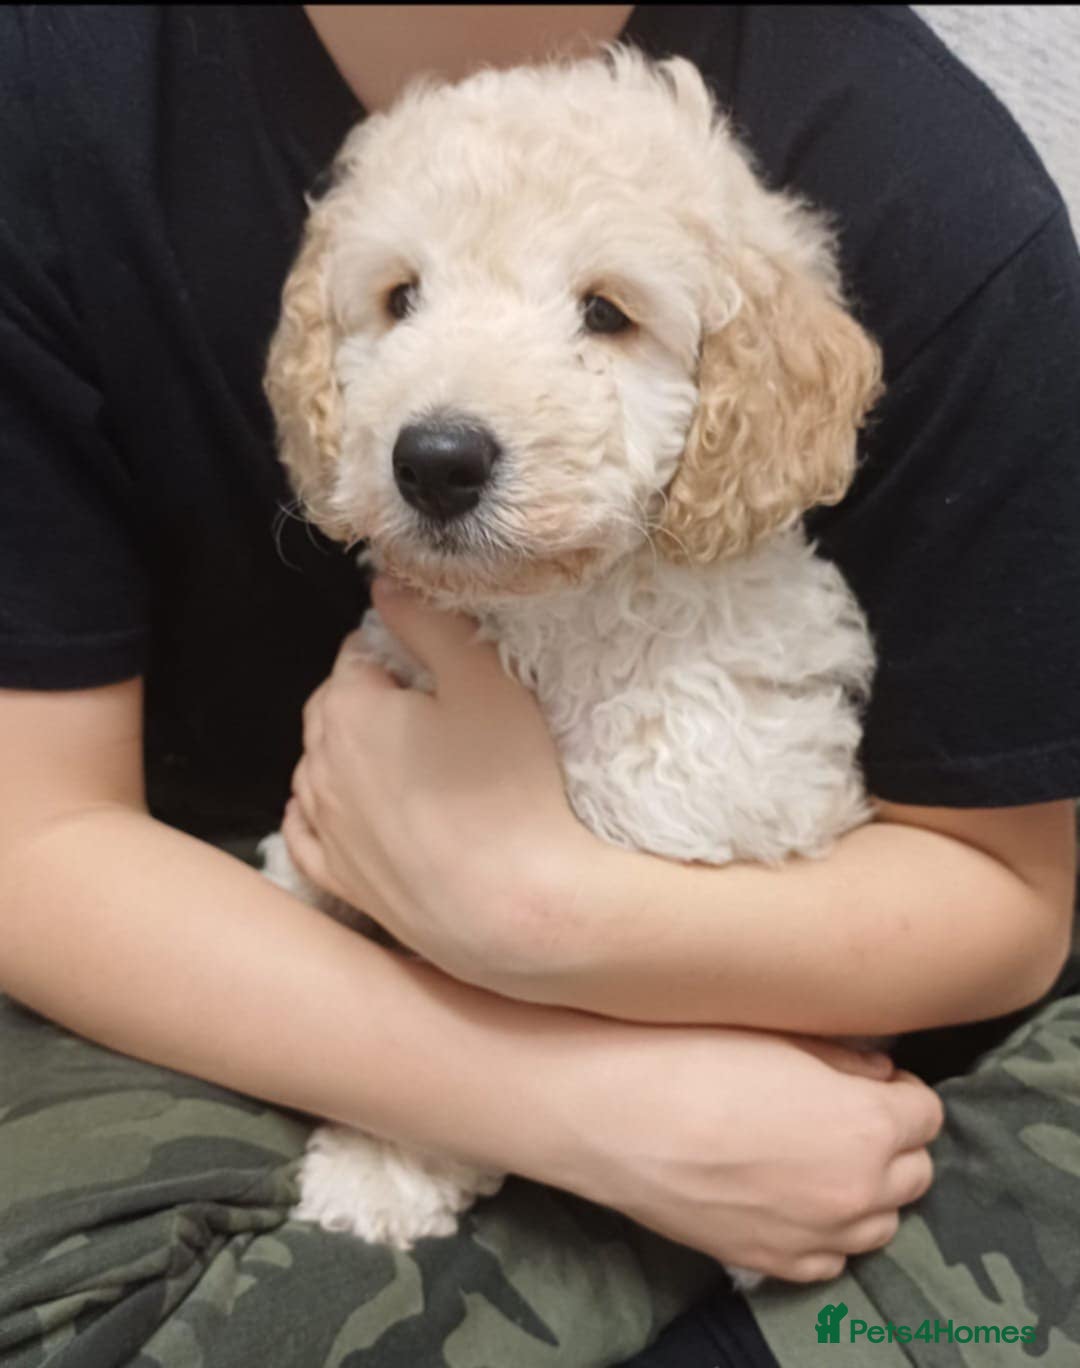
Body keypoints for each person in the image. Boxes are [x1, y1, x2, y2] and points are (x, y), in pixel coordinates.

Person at [0, 6, 1077, 1367]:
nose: (446, 410)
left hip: (830, 1051)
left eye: (606, 316)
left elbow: (1003, 917)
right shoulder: (57, 86)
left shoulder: (943, 191)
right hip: (271, 977)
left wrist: (538, 910)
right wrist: (555, 1083)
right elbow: (33, 843)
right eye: (400, 302)